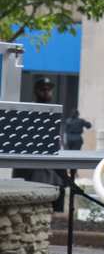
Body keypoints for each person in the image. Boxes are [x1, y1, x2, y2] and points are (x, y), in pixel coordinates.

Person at [12, 77, 67, 212]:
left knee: (57, 203)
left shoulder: (54, 111)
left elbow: (59, 139)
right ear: (35, 91)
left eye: (49, 90)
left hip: (54, 164)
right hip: (34, 165)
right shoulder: (27, 111)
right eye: (43, 89)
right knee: (32, 204)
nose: (47, 92)